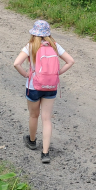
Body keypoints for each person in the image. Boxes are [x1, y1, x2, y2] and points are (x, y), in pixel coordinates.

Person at [13, 20, 75, 163]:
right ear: (48, 33)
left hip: (34, 86)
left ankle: (32, 141)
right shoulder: (55, 46)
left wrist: (26, 74)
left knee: (34, 115)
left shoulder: (30, 46)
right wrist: (57, 73)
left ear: (34, 33)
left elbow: (16, 63)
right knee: (46, 119)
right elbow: (70, 61)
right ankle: (45, 153)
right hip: (51, 87)